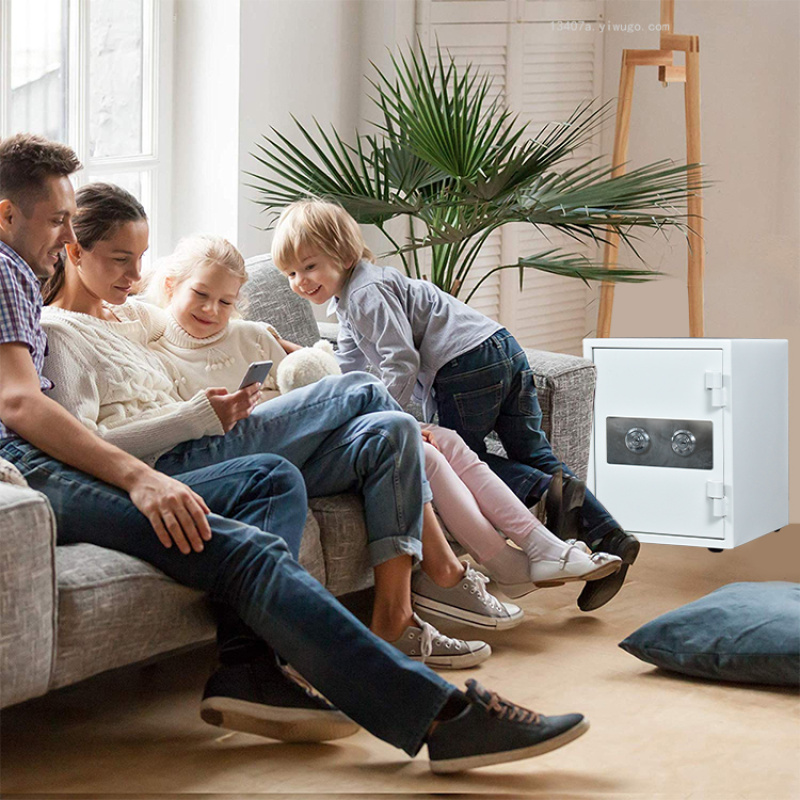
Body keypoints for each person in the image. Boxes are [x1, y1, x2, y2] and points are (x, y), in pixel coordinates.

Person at [0, 132, 589, 772]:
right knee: (276, 510)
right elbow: (22, 404)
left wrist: (264, 347)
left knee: (279, 475)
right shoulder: (12, 276)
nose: (66, 236)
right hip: (49, 469)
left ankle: (250, 670)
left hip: (97, 455)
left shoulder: (62, 289)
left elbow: (169, 328)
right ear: (7, 214)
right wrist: (144, 475)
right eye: (57, 221)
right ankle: (440, 712)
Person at [44, 214, 523, 667]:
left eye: (140, 258)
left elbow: (193, 322)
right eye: (121, 259)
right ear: (74, 252)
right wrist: (195, 416)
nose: (135, 275)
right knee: (361, 388)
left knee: (390, 433)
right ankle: (444, 571)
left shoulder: (132, 314)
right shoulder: (57, 331)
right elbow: (79, 444)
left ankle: (395, 620)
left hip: (211, 438)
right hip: (175, 459)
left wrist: (278, 347)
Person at [140, 235, 622, 601]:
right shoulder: (155, 350)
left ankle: (531, 551)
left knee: (443, 444)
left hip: (319, 436)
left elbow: (317, 378)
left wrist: (296, 352)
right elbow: (192, 429)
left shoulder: (252, 333)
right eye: (201, 295)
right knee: (413, 434)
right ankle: (516, 557)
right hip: (255, 452)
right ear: (170, 286)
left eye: (226, 302)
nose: (213, 310)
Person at [271, 199, 641, 612]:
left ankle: (544, 494)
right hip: (499, 346)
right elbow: (349, 368)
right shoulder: (354, 296)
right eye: (290, 273)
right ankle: (609, 534)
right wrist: (296, 357)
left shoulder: (364, 294)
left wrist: (392, 418)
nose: (300, 281)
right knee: (533, 453)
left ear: (343, 255)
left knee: (460, 458)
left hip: (464, 366)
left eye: (309, 266)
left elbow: (400, 362)